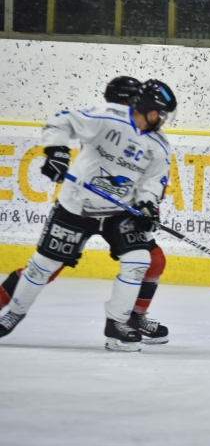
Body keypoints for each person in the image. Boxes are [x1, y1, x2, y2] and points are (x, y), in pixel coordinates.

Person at [0, 80, 177, 352]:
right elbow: (61, 121)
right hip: (76, 205)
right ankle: (14, 313)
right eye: (160, 113)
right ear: (146, 107)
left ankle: (117, 324)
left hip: (118, 211)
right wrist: (57, 151)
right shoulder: (108, 117)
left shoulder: (160, 145)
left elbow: (152, 182)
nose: (163, 119)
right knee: (42, 265)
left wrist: (147, 205)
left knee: (140, 259)